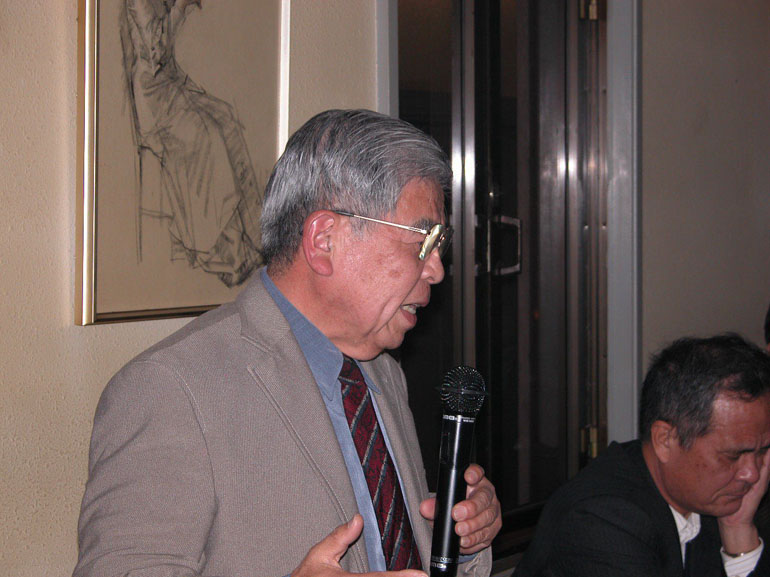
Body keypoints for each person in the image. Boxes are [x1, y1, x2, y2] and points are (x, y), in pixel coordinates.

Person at [73, 109, 501, 577]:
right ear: (324, 240)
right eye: (422, 239)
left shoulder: (380, 369)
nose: (436, 269)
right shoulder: (169, 390)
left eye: (440, 243)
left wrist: (460, 537)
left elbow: (389, 549)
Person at [513, 333, 770, 577]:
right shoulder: (602, 521)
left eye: (763, 450)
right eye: (733, 456)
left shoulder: (724, 500)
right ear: (665, 440)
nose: (752, 473)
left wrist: (738, 531)